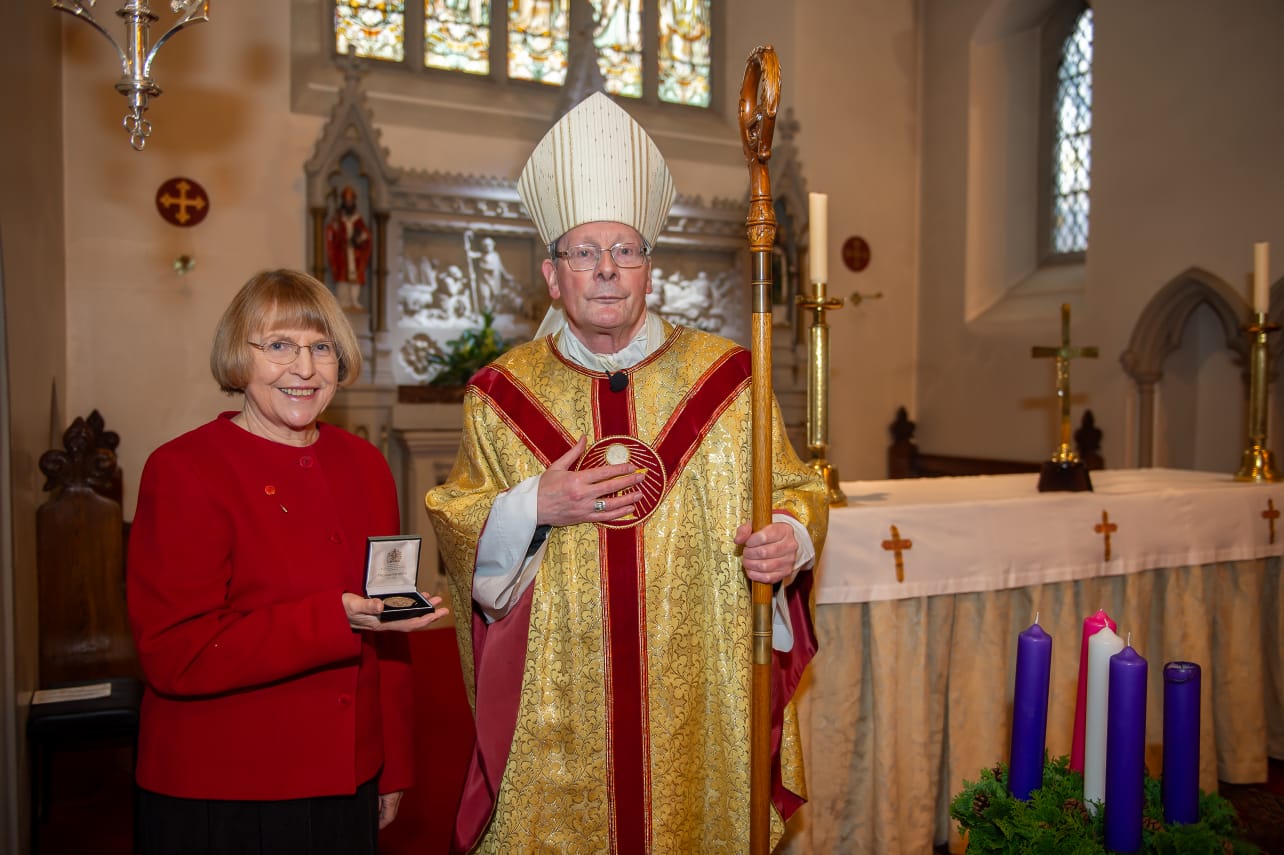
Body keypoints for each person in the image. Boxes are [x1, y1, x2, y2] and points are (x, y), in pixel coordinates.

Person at [425, 93, 828, 853]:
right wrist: (533, 504)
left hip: (697, 697)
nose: (607, 269)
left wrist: (790, 538)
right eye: (583, 253)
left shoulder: (732, 380)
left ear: (651, 270)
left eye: (626, 250)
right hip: (558, 717)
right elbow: (458, 523)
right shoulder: (499, 396)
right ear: (553, 276)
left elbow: (795, 490)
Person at [127, 268, 449, 855]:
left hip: (348, 776)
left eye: (321, 348)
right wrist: (335, 618)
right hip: (226, 786)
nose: (304, 369)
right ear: (239, 356)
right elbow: (176, 654)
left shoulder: (366, 465)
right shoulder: (184, 470)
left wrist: (392, 763)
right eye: (279, 345)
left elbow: (388, 627)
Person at [325, 185, 373, 311]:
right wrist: (335, 228)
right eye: (346, 201)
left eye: (350, 200)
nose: (348, 203)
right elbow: (331, 234)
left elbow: (366, 234)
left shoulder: (358, 219)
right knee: (343, 278)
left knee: (355, 278)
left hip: (354, 254)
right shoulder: (338, 218)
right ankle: (343, 302)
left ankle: (354, 300)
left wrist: (359, 238)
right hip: (343, 255)